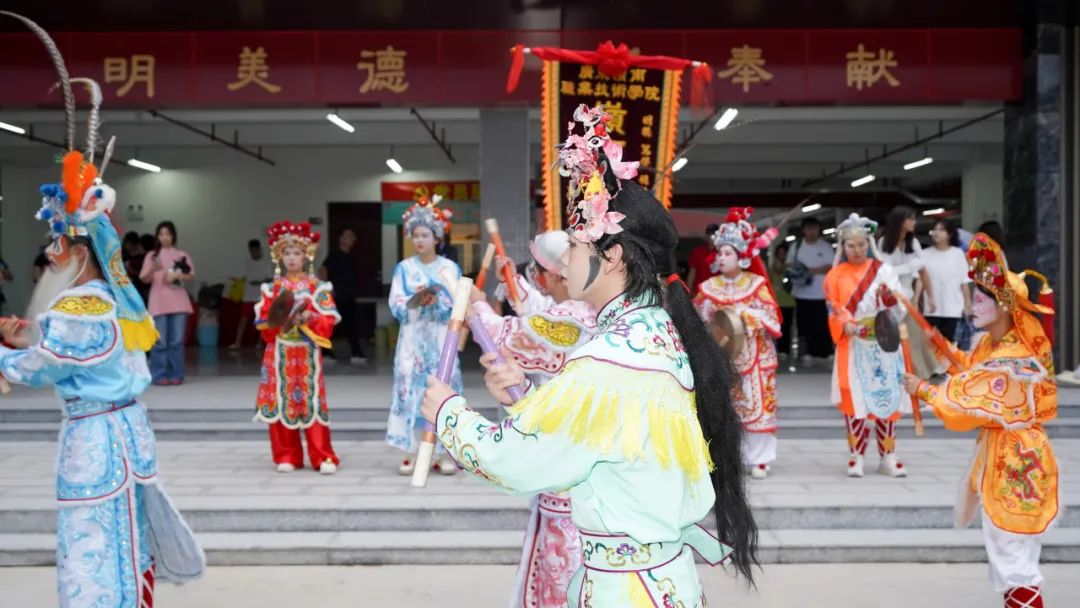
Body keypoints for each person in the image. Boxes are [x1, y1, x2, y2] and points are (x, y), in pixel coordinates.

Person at [422, 105, 756, 604]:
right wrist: (523, 399)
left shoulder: (611, 357)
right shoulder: (654, 333)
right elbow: (609, 436)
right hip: (659, 579)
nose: (565, 262)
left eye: (575, 246)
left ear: (613, 255)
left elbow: (518, 460)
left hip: (626, 590)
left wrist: (449, 414)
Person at [0, 21, 204, 603]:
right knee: (120, 540)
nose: (50, 255)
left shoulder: (82, 307)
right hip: (119, 434)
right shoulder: (106, 301)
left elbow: (45, 364)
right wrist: (23, 337)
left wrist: (6, 356)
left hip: (98, 442)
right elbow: (59, 349)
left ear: (81, 251)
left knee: (95, 547)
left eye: (58, 245)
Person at [904, 233, 1058, 608]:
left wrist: (924, 389)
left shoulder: (1013, 359)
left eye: (981, 298)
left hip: (1016, 460)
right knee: (1012, 554)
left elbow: (966, 399)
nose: (974, 304)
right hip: (1009, 455)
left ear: (1003, 305)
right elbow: (971, 370)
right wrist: (942, 346)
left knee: (1013, 557)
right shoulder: (994, 345)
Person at [468, 230, 597, 608]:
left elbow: (512, 336)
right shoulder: (586, 309)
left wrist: (476, 306)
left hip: (571, 460)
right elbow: (540, 314)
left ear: (558, 275)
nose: (538, 281)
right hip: (579, 453)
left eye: (539, 274)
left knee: (565, 556)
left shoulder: (575, 319)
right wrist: (516, 284)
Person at [695, 208, 782, 480]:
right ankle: (729, 458)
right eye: (719, 253)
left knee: (758, 406)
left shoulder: (756, 285)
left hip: (754, 356)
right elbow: (698, 320)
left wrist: (747, 316)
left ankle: (760, 459)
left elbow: (772, 320)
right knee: (725, 409)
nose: (721, 257)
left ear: (741, 256)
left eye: (727, 253)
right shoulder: (709, 288)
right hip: (722, 357)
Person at [824, 213, 908, 478]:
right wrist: (845, 324)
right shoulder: (835, 275)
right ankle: (856, 455)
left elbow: (900, 306)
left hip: (884, 342)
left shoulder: (883, 270)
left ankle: (888, 455)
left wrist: (889, 300)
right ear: (843, 246)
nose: (857, 250)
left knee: (888, 397)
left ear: (869, 244)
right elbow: (833, 308)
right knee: (855, 399)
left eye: (861, 244)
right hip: (853, 344)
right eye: (851, 245)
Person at [254, 221, 342, 475]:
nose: (291, 258)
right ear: (279, 257)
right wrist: (278, 319)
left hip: (307, 353)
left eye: (297, 253)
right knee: (282, 400)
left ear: (306, 256)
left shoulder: (317, 288)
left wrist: (310, 318)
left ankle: (322, 455)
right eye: (287, 253)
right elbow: (264, 325)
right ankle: (287, 454)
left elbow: (328, 321)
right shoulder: (271, 289)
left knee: (312, 402)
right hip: (279, 352)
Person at [387, 196, 462, 475]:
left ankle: (444, 451)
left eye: (425, 235)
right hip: (413, 338)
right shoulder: (404, 268)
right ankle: (413, 450)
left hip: (441, 338)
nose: (419, 240)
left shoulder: (449, 268)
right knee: (411, 390)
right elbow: (395, 302)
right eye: (415, 235)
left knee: (444, 390)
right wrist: (415, 300)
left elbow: (458, 302)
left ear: (437, 238)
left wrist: (438, 301)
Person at [879, 205, 940, 378]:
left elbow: (923, 271)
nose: (914, 222)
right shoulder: (883, 242)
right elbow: (882, 272)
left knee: (914, 338)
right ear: (900, 221)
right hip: (888, 299)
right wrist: (906, 268)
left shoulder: (913, 243)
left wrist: (930, 297)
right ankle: (892, 375)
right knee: (890, 340)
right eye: (910, 219)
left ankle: (921, 375)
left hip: (908, 299)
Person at [140, 221, 195, 385]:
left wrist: (177, 276)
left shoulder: (182, 254)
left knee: (176, 341)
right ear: (157, 236)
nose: (164, 237)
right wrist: (153, 268)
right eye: (161, 234)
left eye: (168, 234)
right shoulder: (152, 256)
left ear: (173, 236)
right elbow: (143, 278)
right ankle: (159, 374)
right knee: (160, 342)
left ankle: (176, 374)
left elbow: (191, 275)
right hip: (158, 302)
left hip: (179, 302)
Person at [787, 216, 835, 362]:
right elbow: (789, 264)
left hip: (821, 294)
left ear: (818, 230)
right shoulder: (796, 246)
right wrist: (800, 271)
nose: (812, 231)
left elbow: (831, 266)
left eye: (815, 228)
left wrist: (810, 271)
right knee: (804, 325)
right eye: (809, 228)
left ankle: (825, 352)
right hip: (801, 293)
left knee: (822, 324)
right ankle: (806, 352)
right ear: (803, 230)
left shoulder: (825, 247)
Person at [319, 227, 367, 364]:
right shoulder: (335, 254)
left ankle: (356, 352)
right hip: (336, 296)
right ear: (341, 239)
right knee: (331, 325)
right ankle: (325, 353)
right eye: (349, 235)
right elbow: (322, 269)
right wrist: (327, 289)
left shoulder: (351, 256)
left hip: (349, 296)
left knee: (351, 325)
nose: (353, 238)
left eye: (353, 236)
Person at [921, 219, 971, 342]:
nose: (937, 233)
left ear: (950, 234)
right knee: (932, 347)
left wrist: (968, 304)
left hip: (953, 309)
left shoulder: (958, 254)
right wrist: (916, 301)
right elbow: (920, 280)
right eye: (935, 229)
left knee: (951, 346)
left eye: (941, 230)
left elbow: (964, 282)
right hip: (931, 310)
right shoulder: (925, 254)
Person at [232, 238, 274, 349]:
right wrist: (235, 280)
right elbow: (241, 276)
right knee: (243, 319)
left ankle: (259, 343)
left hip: (261, 295)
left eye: (255, 251)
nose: (253, 253)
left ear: (259, 249)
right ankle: (237, 342)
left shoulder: (266, 262)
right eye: (251, 251)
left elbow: (270, 278)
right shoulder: (247, 262)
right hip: (248, 295)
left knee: (261, 319)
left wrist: (259, 282)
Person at [769, 241, 796, 359]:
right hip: (776, 302)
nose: (782, 256)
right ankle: (779, 349)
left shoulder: (791, 269)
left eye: (784, 254)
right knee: (778, 327)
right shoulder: (772, 268)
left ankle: (786, 350)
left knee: (787, 327)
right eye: (780, 254)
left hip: (789, 302)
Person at [686, 223, 719, 294]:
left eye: (714, 234)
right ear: (706, 236)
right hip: (700, 291)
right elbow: (692, 272)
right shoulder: (698, 251)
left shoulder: (723, 252)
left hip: (718, 292)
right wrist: (688, 290)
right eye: (709, 234)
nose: (712, 237)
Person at [122, 230, 150, 303]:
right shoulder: (124, 256)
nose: (127, 246)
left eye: (129, 244)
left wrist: (129, 269)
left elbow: (141, 277)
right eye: (126, 244)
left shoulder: (143, 258)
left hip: (140, 288)